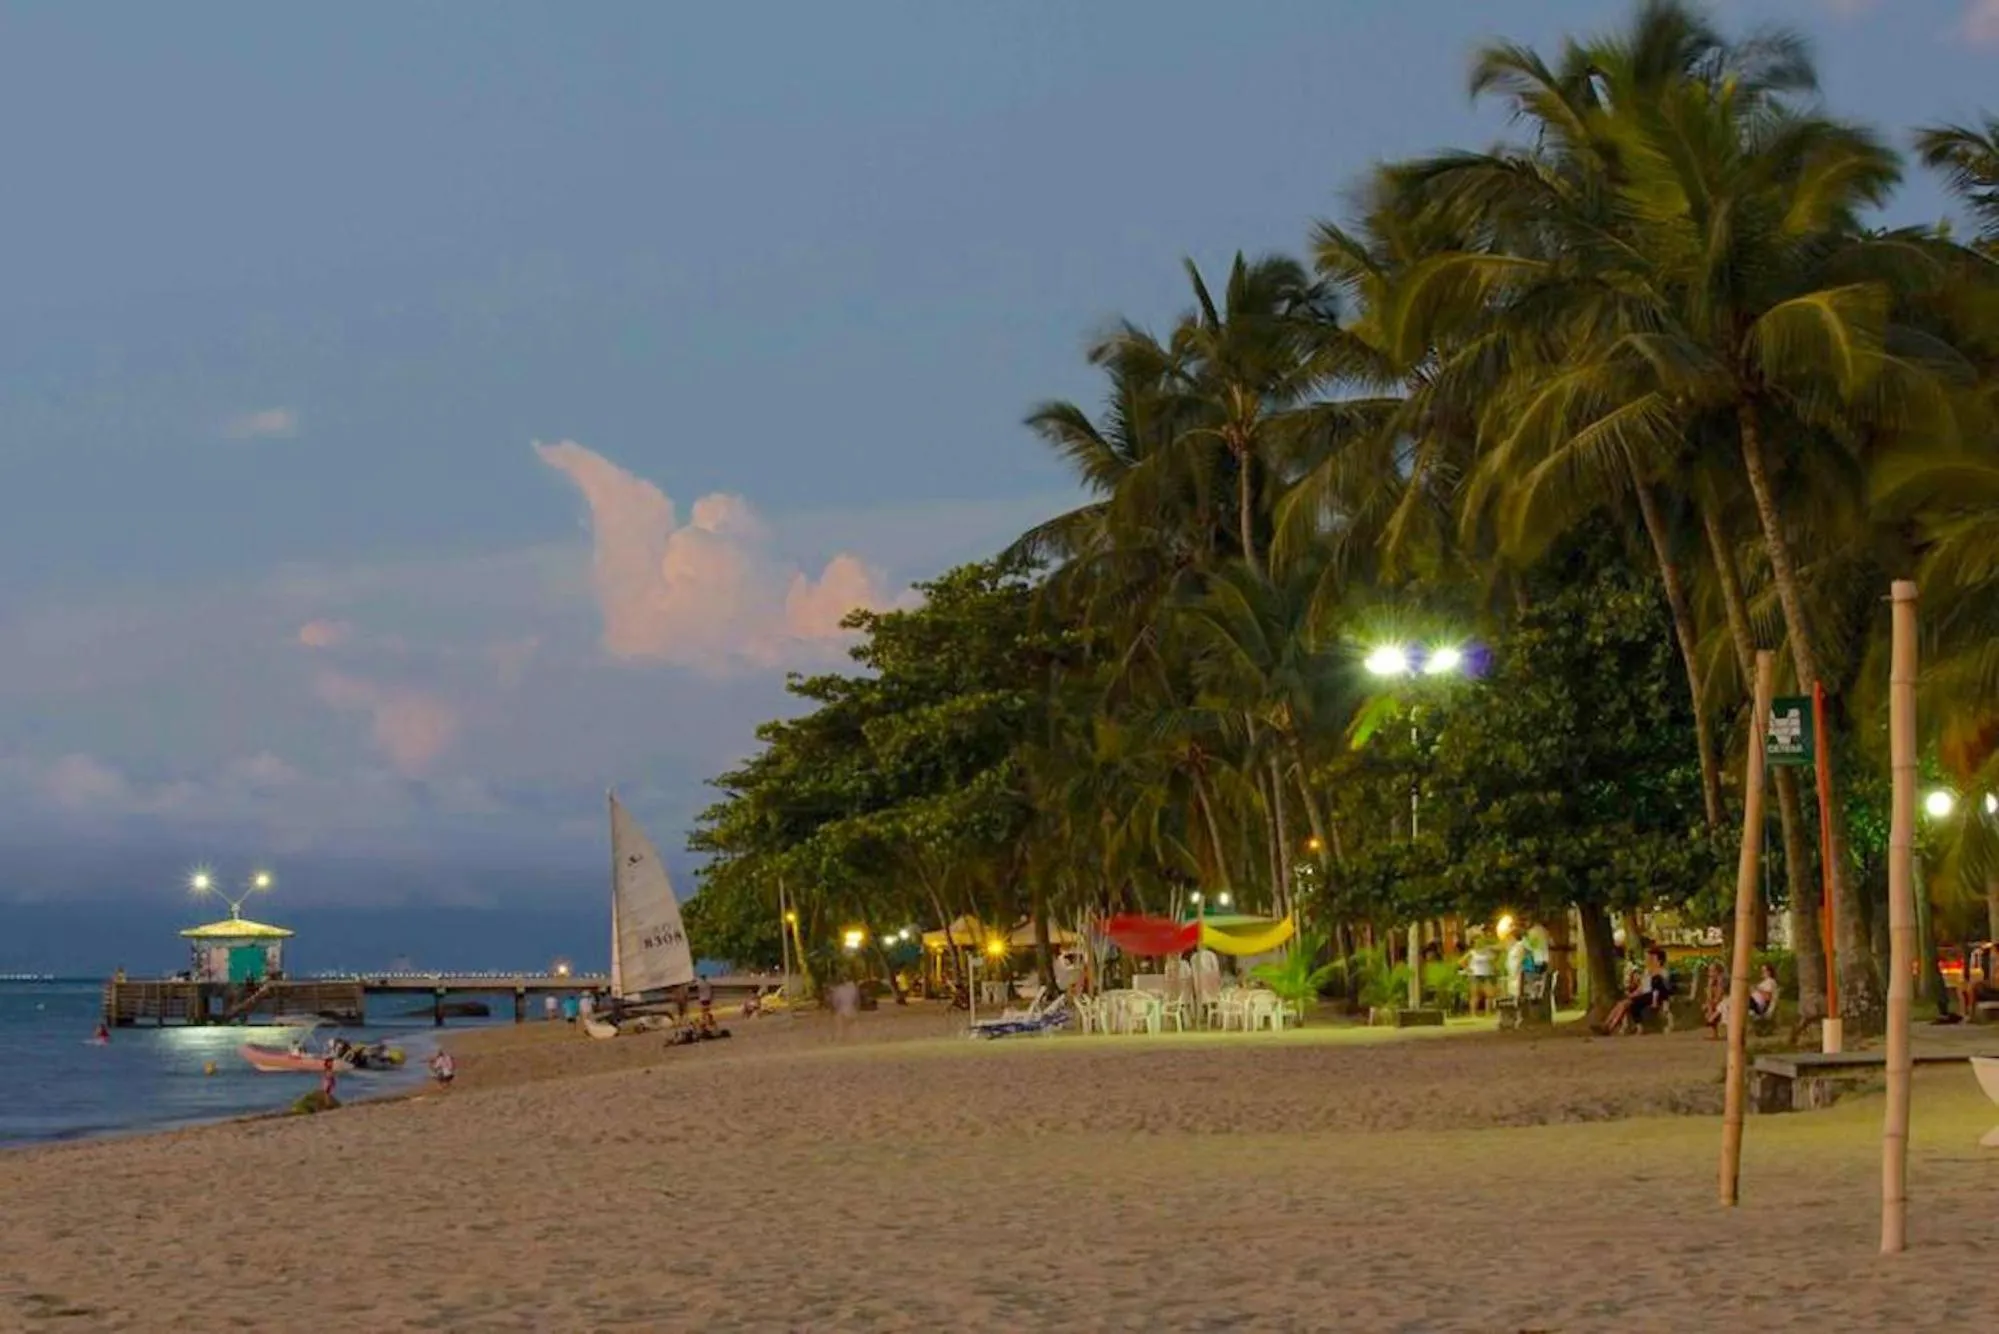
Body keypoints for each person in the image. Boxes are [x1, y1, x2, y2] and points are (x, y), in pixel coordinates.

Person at [1602, 947, 1672, 1034]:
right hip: (1644, 996)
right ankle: (1605, 1025)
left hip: (1654, 997)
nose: (1648, 960)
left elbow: (1663, 986)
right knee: (1621, 1004)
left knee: (1625, 1004)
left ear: (1659, 960)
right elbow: (1641, 988)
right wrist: (1632, 994)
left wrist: (1653, 972)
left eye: (1651, 958)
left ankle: (1610, 1027)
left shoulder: (1663, 972)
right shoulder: (1647, 971)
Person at [1465, 939, 1496, 1016]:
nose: (1479, 944)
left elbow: (1494, 959)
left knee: (1489, 994)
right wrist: (1468, 969)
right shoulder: (1472, 952)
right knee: (1475, 995)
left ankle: (1488, 1012)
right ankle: (1473, 1013)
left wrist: (1493, 968)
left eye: (1481, 942)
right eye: (1477, 943)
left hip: (1486, 975)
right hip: (1475, 975)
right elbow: (1462, 961)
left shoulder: (1487, 952)